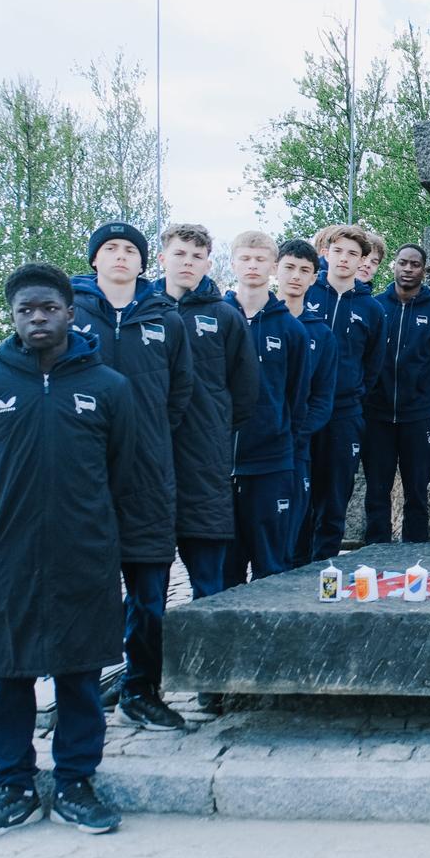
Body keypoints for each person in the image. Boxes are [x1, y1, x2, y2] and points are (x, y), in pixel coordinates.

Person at [0, 264, 136, 839]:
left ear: (69, 312)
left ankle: (77, 782)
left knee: (79, 673)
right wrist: (15, 514)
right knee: (8, 673)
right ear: (11, 317)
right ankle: (13, 787)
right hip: (8, 555)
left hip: (84, 552)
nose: (37, 317)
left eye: (48, 308)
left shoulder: (109, 387)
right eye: (25, 310)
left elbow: (123, 471)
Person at [72, 221, 193, 732]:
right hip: (83, 478)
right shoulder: (70, 315)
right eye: (110, 249)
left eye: (129, 250)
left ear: (143, 263)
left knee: (149, 591)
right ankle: (78, 691)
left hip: (147, 475)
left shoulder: (166, 320)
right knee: (82, 589)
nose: (120, 256)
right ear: (95, 260)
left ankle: (141, 687)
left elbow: (179, 394)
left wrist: (143, 444)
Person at [156, 223, 258, 599]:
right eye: (180, 254)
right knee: (148, 583)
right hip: (152, 455)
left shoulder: (225, 316)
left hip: (205, 460)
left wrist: (214, 427)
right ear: (163, 257)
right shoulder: (143, 313)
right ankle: (146, 658)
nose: (188, 262)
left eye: (197, 257)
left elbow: (245, 388)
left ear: (208, 264)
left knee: (208, 580)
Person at [225, 231, 308, 583]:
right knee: (221, 571)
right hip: (219, 461)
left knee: (271, 567)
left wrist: (281, 439)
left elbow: (296, 397)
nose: (253, 266)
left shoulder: (290, 329)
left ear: (273, 267)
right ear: (233, 264)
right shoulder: (216, 320)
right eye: (246, 258)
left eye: (260, 259)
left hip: (271, 462)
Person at [303, 225, 386, 560]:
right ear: (326, 253)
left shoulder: (372, 310)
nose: (344, 258)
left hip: (345, 412)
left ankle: (322, 565)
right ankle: (293, 566)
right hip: (303, 410)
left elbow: (373, 365)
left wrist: (350, 393)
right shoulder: (307, 293)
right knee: (299, 493)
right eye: (338, 251)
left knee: (336, 495)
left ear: (363, 260)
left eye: (353, 253)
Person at [363, 243, 430, 542]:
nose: (408, 269)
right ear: (394, 266)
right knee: (377, 491)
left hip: (420, 416)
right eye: (403, 263)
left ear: (423, 270)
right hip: (377, 415)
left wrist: (428, 398)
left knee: (417, 492)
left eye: (415, 264)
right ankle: (375, 551)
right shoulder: (375, 307)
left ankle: (415, 554)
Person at [275, 240, 335, 569]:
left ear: (314, 278)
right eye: (289, 267)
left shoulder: (321, 334)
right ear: (276, 269)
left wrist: (295, 434)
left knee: (292, 537)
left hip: (296, 448)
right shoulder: (248, 322)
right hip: (253, 450)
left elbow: (323, 398)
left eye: (304, 271)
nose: (296, 276)